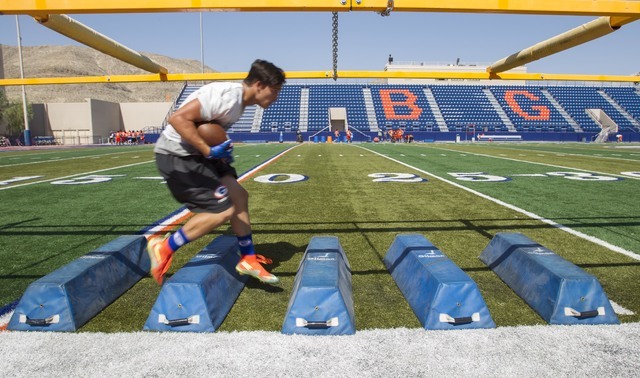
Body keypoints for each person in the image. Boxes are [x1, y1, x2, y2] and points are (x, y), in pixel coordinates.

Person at [148, 59, 286, 285]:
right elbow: (178, 118)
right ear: (259, 85)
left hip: (199, 154)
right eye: (275, 90)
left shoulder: (239, 103)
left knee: (239, 196)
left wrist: (215, 151)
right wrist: (208, 150)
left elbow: (207, 129)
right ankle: (163, 246)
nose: (277, 97)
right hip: (177, 156)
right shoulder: (227, 96)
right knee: (221, 212)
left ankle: (248, 258)